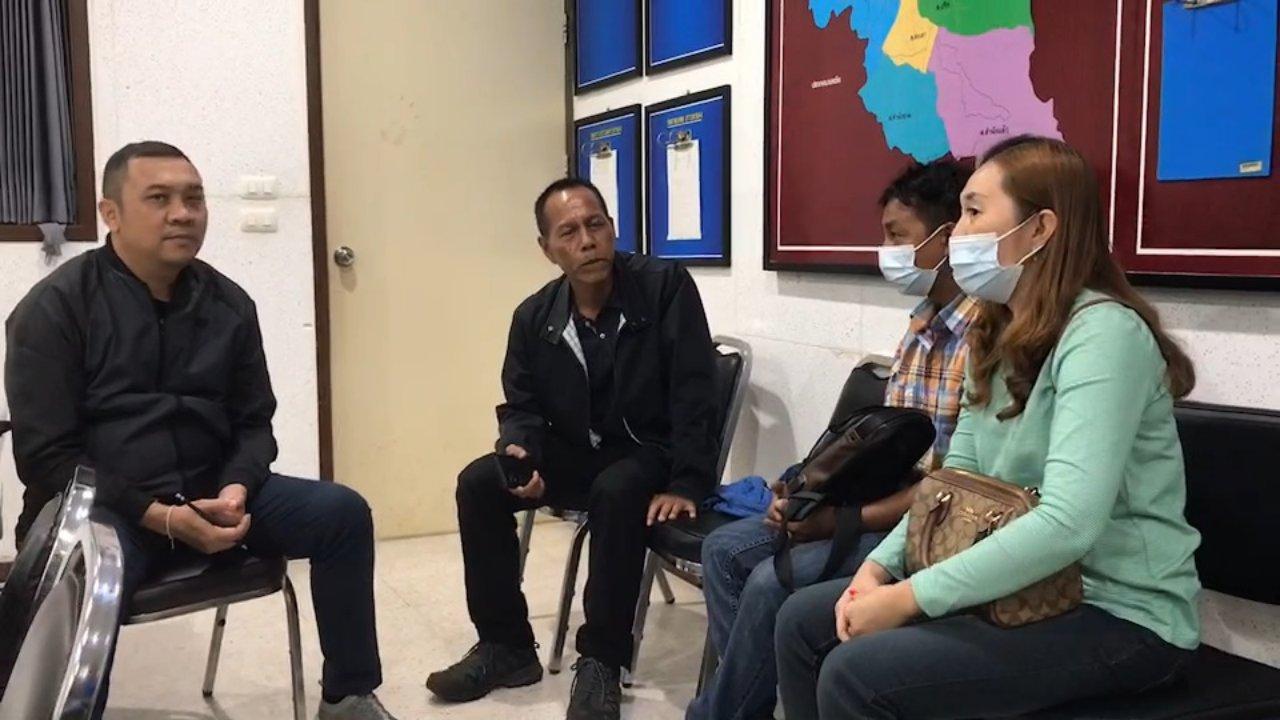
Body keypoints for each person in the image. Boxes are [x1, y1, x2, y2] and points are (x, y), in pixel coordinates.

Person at [776, 136, 1202, 719]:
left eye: (975, 212)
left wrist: (910, 597)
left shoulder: (1103, 335)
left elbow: (1069, 524)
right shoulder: (998, 331)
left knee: (858, 674)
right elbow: (952, 480)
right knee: (802, 622)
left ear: (1040, 228)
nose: (957, 233)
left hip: (1120, 613)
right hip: (1028, 589)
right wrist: (879, 570)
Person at [4, 142, 400, 720]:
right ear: (111, 213)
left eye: (194, 199)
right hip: (103, 510)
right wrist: (158, 516)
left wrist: (236, 488)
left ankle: (348, 695)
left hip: (211, 490)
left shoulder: (229, 304)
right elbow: (47, 456)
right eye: (159, 199)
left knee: (340, 513)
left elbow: (254, 422)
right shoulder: (55, 308)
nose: (182, 214)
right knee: (83, 573)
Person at [686, 160, 978, 720]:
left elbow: (951, 485)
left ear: (945, 239)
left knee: (771, 584)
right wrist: (805, 491)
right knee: (722, 551)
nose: (886, 252)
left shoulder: (986, 339)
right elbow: (885, 452)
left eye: (897, 236)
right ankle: (744, 703)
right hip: (884, 502)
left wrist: (841, 521)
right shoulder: (922, 326)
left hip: (932, 525)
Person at [426, 178, 718, 720]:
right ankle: (507, 646)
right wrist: (520, 451)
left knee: (617, 487)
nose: (587, 240)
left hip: (647, 454)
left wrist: (688, 481)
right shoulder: (534, 317)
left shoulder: (664, 287)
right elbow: (521, 407)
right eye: (569, 232)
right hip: (573, 453)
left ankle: (602, 661)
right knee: (479, 482)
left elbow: (695, 390)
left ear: (612, 229)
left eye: (595, 225)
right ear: (547, 249)